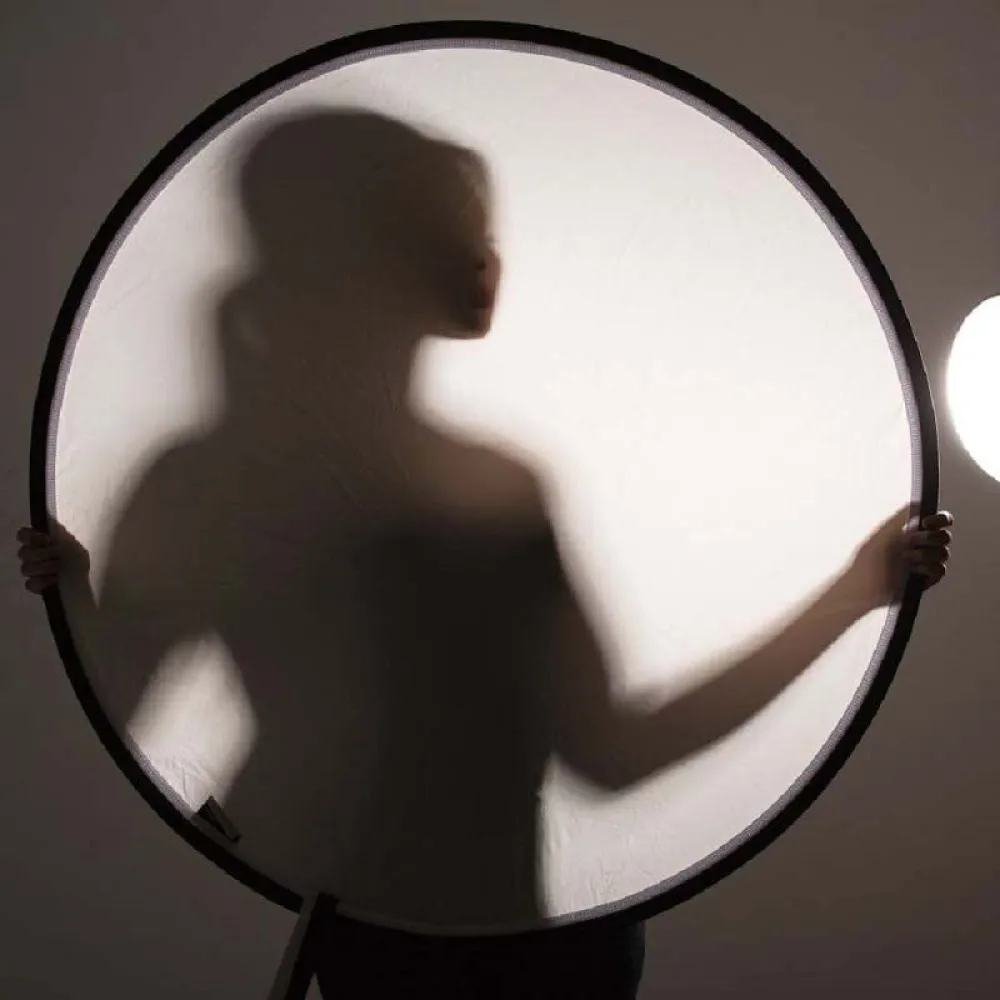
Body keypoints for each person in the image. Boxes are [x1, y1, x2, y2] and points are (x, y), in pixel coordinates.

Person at [16, 109, 953, 999]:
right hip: (420, 940)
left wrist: (855, 593)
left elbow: (609, 751)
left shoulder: (482, 484)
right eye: (452, 229)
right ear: (356, 251)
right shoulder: (228, 479)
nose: (487, 256)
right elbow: (131, 711)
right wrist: (81, 600)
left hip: (539, 946)